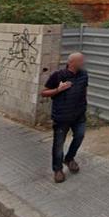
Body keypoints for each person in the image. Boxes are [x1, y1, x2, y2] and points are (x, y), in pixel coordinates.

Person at [41, 52, 89, 183]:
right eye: (80, 61)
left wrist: (84, 105)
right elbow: (43, 92)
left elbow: (84, 90)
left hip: (79, 115)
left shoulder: (84, 74)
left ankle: (69, 158)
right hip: (62, 117)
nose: (83, 63)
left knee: (79, 136)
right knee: (58, 144)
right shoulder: (58, 76)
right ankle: (58, 170)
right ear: (72, 63)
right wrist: (58, 90)